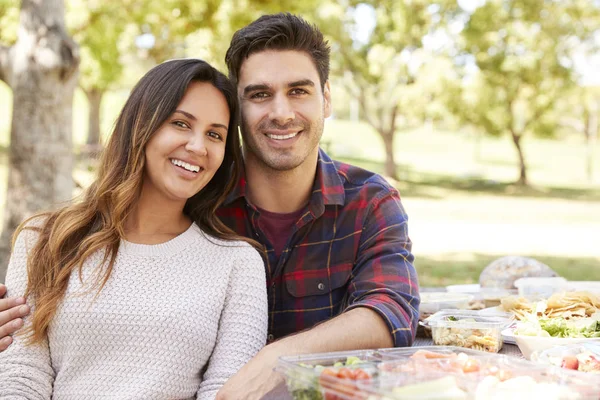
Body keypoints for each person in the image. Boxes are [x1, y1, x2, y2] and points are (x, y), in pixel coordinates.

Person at [1, 12, 419, 399]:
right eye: (259, 94)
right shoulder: (191, 197)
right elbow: (24, 369)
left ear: (325, 99)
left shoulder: (366, 202)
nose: (281, 112)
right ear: (240, 110)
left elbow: (391, 309)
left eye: (299, 91)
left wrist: (275, 359)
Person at [0, 59, 267, 399]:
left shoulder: (237, 264)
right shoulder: (44, 239)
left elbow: (226, 391)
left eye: (215, 134)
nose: (199, 147)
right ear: (141, 125)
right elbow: (22, 377)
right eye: (181, 123)